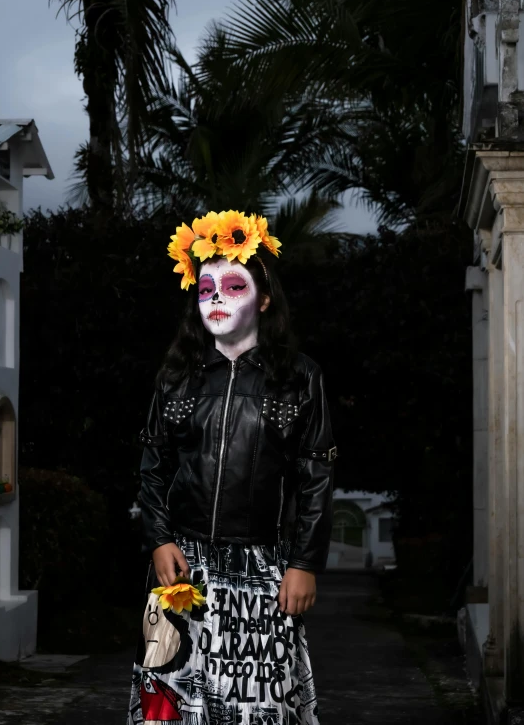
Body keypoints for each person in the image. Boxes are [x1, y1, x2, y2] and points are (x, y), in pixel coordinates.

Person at [127, 210, 336, 725]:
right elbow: (153, 465)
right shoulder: (177, 377)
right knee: (168, 710)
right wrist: (158, 538)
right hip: (180, 570)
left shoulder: (299, 378)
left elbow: (317, 478)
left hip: (263, 569)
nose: (217, 297)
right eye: (206, 288)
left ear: (264, 299)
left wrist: (304, 563)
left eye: (233, 285)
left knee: (258, 709)